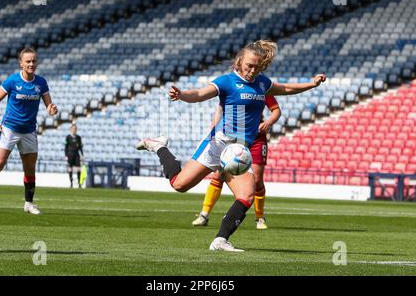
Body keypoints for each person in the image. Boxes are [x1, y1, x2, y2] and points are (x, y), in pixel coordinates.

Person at [136, 39, 326, 252]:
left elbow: (286, 88)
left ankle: (220, 240)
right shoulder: (227, 81)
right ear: (239, 62)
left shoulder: (262, 83)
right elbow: (200, 94)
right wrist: (181, 95)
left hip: (238, 152)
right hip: (217, 146)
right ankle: (159, 146)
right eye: (249, 65)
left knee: (247, 196)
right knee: (179, 185)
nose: (252, 70)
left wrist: (311, 84)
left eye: (257, 66)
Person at [0, 48, 58, 214]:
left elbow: (49, 105)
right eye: (28, 61)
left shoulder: (41, 82)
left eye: (33, 61)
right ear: (21, 63)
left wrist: (52, 109)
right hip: (9, 129)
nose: (31, 64)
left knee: (30, 168)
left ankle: (28, 204)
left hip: (29, 131)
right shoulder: (12, 81)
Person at [192, 95, 281, 229]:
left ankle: (259, 217)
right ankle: (204, 214)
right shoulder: (232, 89)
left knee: (257, 179)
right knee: (218, 174)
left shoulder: (262, 88)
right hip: (233, 136)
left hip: (256, 138)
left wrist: (268, 122)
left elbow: (276, 110)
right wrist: (213, 130)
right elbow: (220, 110)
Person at [64, 123, 84, 188]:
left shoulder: (78, 137)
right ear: (70, 129)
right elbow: (66, 147)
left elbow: (80, 147)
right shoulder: (68, 137)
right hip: (70, 154)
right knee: (70, 168)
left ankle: (79, 183)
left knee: (78, 169)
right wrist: (66, 155)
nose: (74, 130)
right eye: (73, 129)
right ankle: (71, 183)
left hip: (77, 154)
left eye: (75, 129)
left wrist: (82, 155)